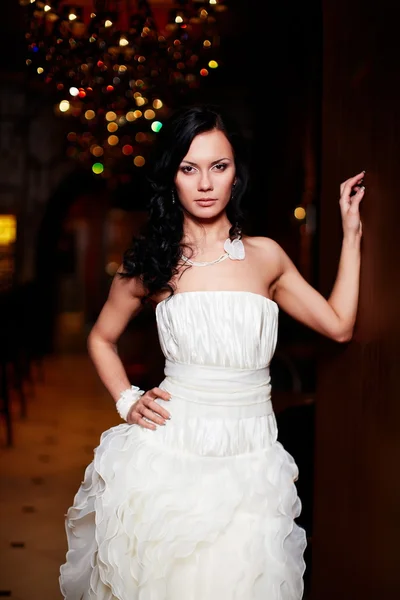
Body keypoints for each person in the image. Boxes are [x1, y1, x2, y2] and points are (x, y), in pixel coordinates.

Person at [59, 104, 364, 599]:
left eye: (218, 167)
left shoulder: (266, 256)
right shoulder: (156, 262)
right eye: (189, 168)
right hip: (173, 454)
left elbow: (339, 326)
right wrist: (126, 400)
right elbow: (101, 337)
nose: (205, 183)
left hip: (253, 459)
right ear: (173, 179)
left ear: (235, 175)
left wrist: (352, 235)